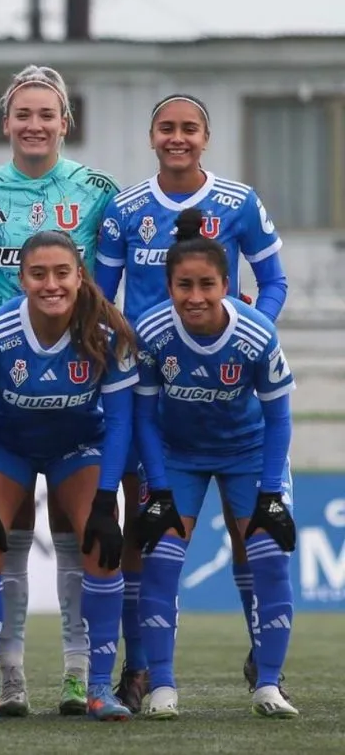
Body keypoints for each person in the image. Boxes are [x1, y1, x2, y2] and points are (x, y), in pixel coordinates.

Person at [95, 94, 289, 710]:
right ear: (151, 136)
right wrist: (134, 352)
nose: (177, 138)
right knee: (148, 539)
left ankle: (267, 668)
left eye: (189, 129)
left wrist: (250, 332)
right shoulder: (123, 208)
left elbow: (274, 281)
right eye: (166, 128)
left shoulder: (239, 202)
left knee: (252, 543)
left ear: (205, 137)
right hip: (154, 400)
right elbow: (101, 299)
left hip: (233, 412)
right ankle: (146, 672)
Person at [0, 65, 120, 715]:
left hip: (79, 386)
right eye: (24, 114)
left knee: (85, 540)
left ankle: (80, 676)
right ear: (7, 123)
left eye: (47, 114)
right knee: (1, 540)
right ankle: (6, 675)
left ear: (65, 122)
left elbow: (123, 273)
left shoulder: (99, 191)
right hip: (4, 388)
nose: (35, 124)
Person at [0, 230, 137, 722]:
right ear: (21, 279)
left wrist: (106, 500)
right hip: (8, 448)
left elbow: (121, 420)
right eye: (38, 274)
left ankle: (93, 682)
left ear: (80, 276)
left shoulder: (108, 332)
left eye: (62, 273)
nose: (51, 284)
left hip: (77, 449)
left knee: (102, 546)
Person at [132, 216, 297, 719]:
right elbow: (142, 415)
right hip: (177, 454)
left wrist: (270, 491)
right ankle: (162, 685)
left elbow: (279, 416)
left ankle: (268, 684)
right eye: (185, 285)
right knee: (160, 559)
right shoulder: (152, 332)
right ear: (169, 287)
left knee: (268, 555)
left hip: (248, 452)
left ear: (227, 286)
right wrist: (157, 487)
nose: (196, 296)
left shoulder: (256, 334)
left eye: (207, 284)